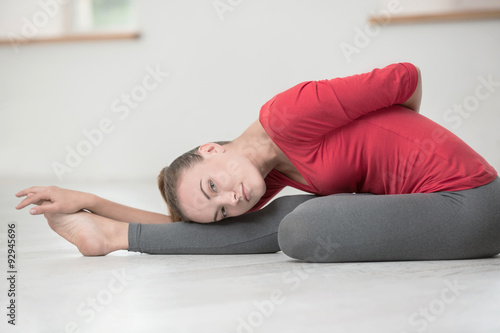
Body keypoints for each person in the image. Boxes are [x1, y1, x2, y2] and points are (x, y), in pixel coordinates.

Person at [15, 62, 500, 262]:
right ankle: (111, 237)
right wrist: (93, 201)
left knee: (300, 227)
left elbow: (405, 76)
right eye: (221, 206)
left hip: (470, 204)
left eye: (212, 188)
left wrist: (408, 136)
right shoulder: (263, 177)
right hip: (446, 208)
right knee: (282, 217)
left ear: (212, 148)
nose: (231, 199)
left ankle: (115, 237)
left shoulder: (289, 115)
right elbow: (199, 228)